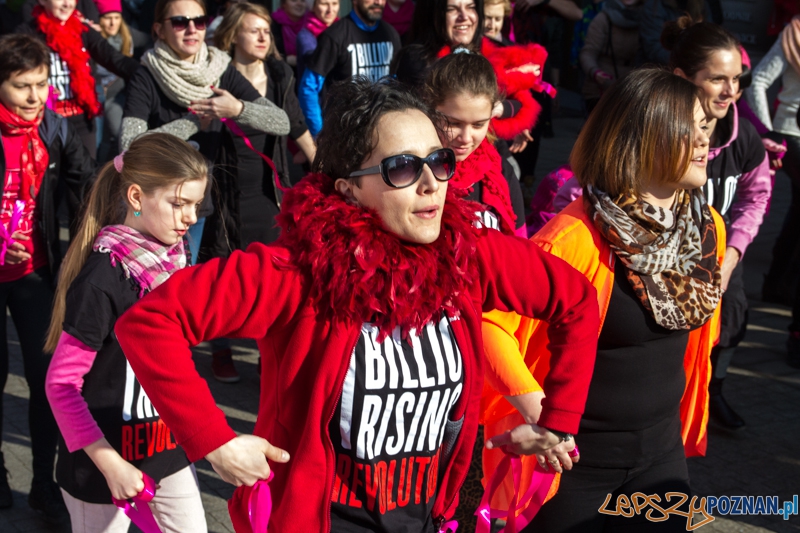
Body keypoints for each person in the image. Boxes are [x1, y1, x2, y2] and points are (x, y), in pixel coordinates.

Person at [114, 77, 600, 533]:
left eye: (440, 160)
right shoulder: (297, 272)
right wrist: (215, 441)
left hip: (431, 515)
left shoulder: (467, 253)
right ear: (348, 188)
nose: (431, 182)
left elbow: (576, 300)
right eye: (403, 168)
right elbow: (150, 321)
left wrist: (558, 422)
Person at [482, 68, 724, 532]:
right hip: (577, 470)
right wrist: (541, 413)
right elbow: (492, 324)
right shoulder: (574, 236)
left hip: (662, 458)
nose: (702, 142)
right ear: (643, 138)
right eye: (686, 129)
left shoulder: (707, 227)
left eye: (704, 127)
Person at [44, 133, 208, 533]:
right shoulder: (102, 279)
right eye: (178, 203)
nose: (190, 218)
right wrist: (110, 463)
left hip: (165, 451)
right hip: (102, 465)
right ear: (136, 197)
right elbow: (61, 386)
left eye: (196, 205)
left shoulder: (175, 263)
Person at [122, 0, 291, 380]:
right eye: (179, 21)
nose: (191, 29)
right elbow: (130, 144)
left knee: (208, 287)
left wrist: (238, 110)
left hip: (212, 202)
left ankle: (188, 366)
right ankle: (154, 380)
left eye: (198, 20)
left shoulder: (219, 67)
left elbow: (280, 122)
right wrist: (190, 122)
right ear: (160, 29)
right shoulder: (148, 73)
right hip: (161, 207)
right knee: (161, 298)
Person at [0, 33, 95, 522]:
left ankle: (44, 483)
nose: (35, 97)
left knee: (45, 382)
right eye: (21, 87)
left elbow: (87, 192)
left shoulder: (53, 130)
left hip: (36, 273)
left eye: (41, 84)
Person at [664, 17, 770, 431]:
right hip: (666, 262)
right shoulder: (655, 128)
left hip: (723, 259)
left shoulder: (743, 138)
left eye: (738, 80)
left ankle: (715, 391)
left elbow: (756, 197)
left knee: (731, 327)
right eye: (718, 80)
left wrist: (733, 253)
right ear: (682, 77)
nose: (731, 92)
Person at [17, 0, 139, 159]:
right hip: (44, 123)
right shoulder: (27, 33)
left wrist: (149, 74)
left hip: (82, 123)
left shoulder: (83, 31)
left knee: (86, 178)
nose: (67, 4)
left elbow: (115, 59)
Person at [425, 52, 526, 237]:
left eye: (478, 125)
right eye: (453, 123)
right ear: (430, 109)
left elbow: (522, 246)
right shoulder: (414, 172)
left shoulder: (501, 171)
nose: (466, 137)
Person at [749, 15, 800, 366]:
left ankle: (777, 284)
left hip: (789, 133)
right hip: (792, 135)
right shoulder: (795, 31)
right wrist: (769, 133)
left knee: (798, 213)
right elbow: (757, 81)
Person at [298, 0, 401, 137]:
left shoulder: (390, 34)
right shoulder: (335, 35)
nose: (378, 2)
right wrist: (319, 134)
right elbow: (308, 87)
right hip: (344, 135)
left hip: (382, 131)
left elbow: (396, 84)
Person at [93, 0, 152, 162]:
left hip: (115, 95)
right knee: (97, 140)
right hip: (95, 95)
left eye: (116, 18)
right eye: (107, 18)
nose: (113, 23)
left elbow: (149, 40)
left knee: (116, 131)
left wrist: (145, 60)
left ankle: (108, 167)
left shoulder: (128, 35)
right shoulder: (93, 37)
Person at [579, 0, 642, 115]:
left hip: (630, 87)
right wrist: (595, 72)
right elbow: (588, 52)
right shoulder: (604, 18)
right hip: (602, 87)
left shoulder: (646, 20)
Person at [295, 0, 339, 80]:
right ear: (313, 7)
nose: (330, 9)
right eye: (324, 4)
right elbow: (312, 58)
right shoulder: (306, 35)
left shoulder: (343, 29)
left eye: (334, 3)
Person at [270, 0, 308, 68]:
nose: (299, 4)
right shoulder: (272, 25)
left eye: (302, 1)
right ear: (284, 4)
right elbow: (269, 54)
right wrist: (285, 59)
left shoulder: (312, 23)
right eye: (294, 1)